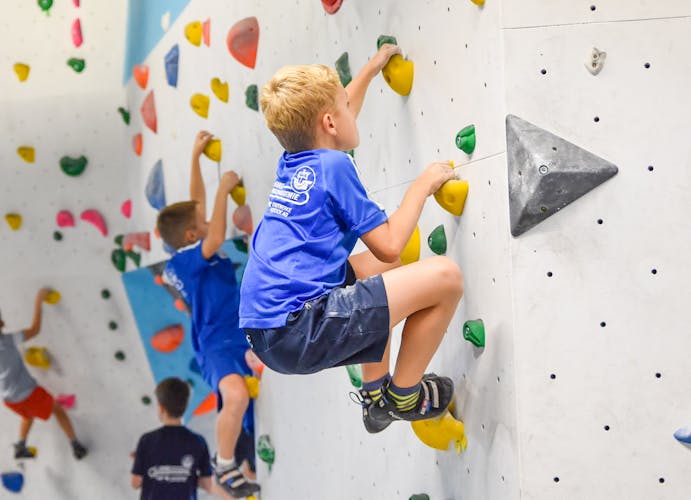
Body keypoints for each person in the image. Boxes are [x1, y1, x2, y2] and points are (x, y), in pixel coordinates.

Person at [240, 45, 464, 434]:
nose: (350, 107)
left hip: (268, 327)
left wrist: (371, 69)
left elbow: (339, 117)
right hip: (297, 328)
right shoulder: (333, 166)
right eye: (343, 104)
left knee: (386, 273)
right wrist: (422, 186)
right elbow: (390, 242)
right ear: (329, 122)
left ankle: (375, 394)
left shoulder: (297, 159)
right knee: (445, 277)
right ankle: (404, 397)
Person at [156, 132, 260, 498]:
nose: (207, 221)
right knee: (235, 396)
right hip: (216, 344)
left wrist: (196, 157)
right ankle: (223, 463)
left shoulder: (186, 250)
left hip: (237, 336)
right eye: (200, 222)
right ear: (190, 234)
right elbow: (213, 233)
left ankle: (240, 467)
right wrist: (224, 189)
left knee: (247, 413)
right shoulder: (182, 261)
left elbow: (194, 206)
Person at [0, 288, 88, 459]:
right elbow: (35, 330)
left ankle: (20, 446)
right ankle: (76, 445)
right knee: (58, 410)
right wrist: (39, 300)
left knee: (28, 415)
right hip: (27, 394)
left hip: (8, 399)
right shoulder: (9, 340)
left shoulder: (9, 341)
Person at [131, 377, 212, 499]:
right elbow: (207, 484)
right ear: (185, 406)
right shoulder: (198, 441)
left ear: (161, 407)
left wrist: (143, 466)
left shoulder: (147, 440)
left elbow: (135, 483)